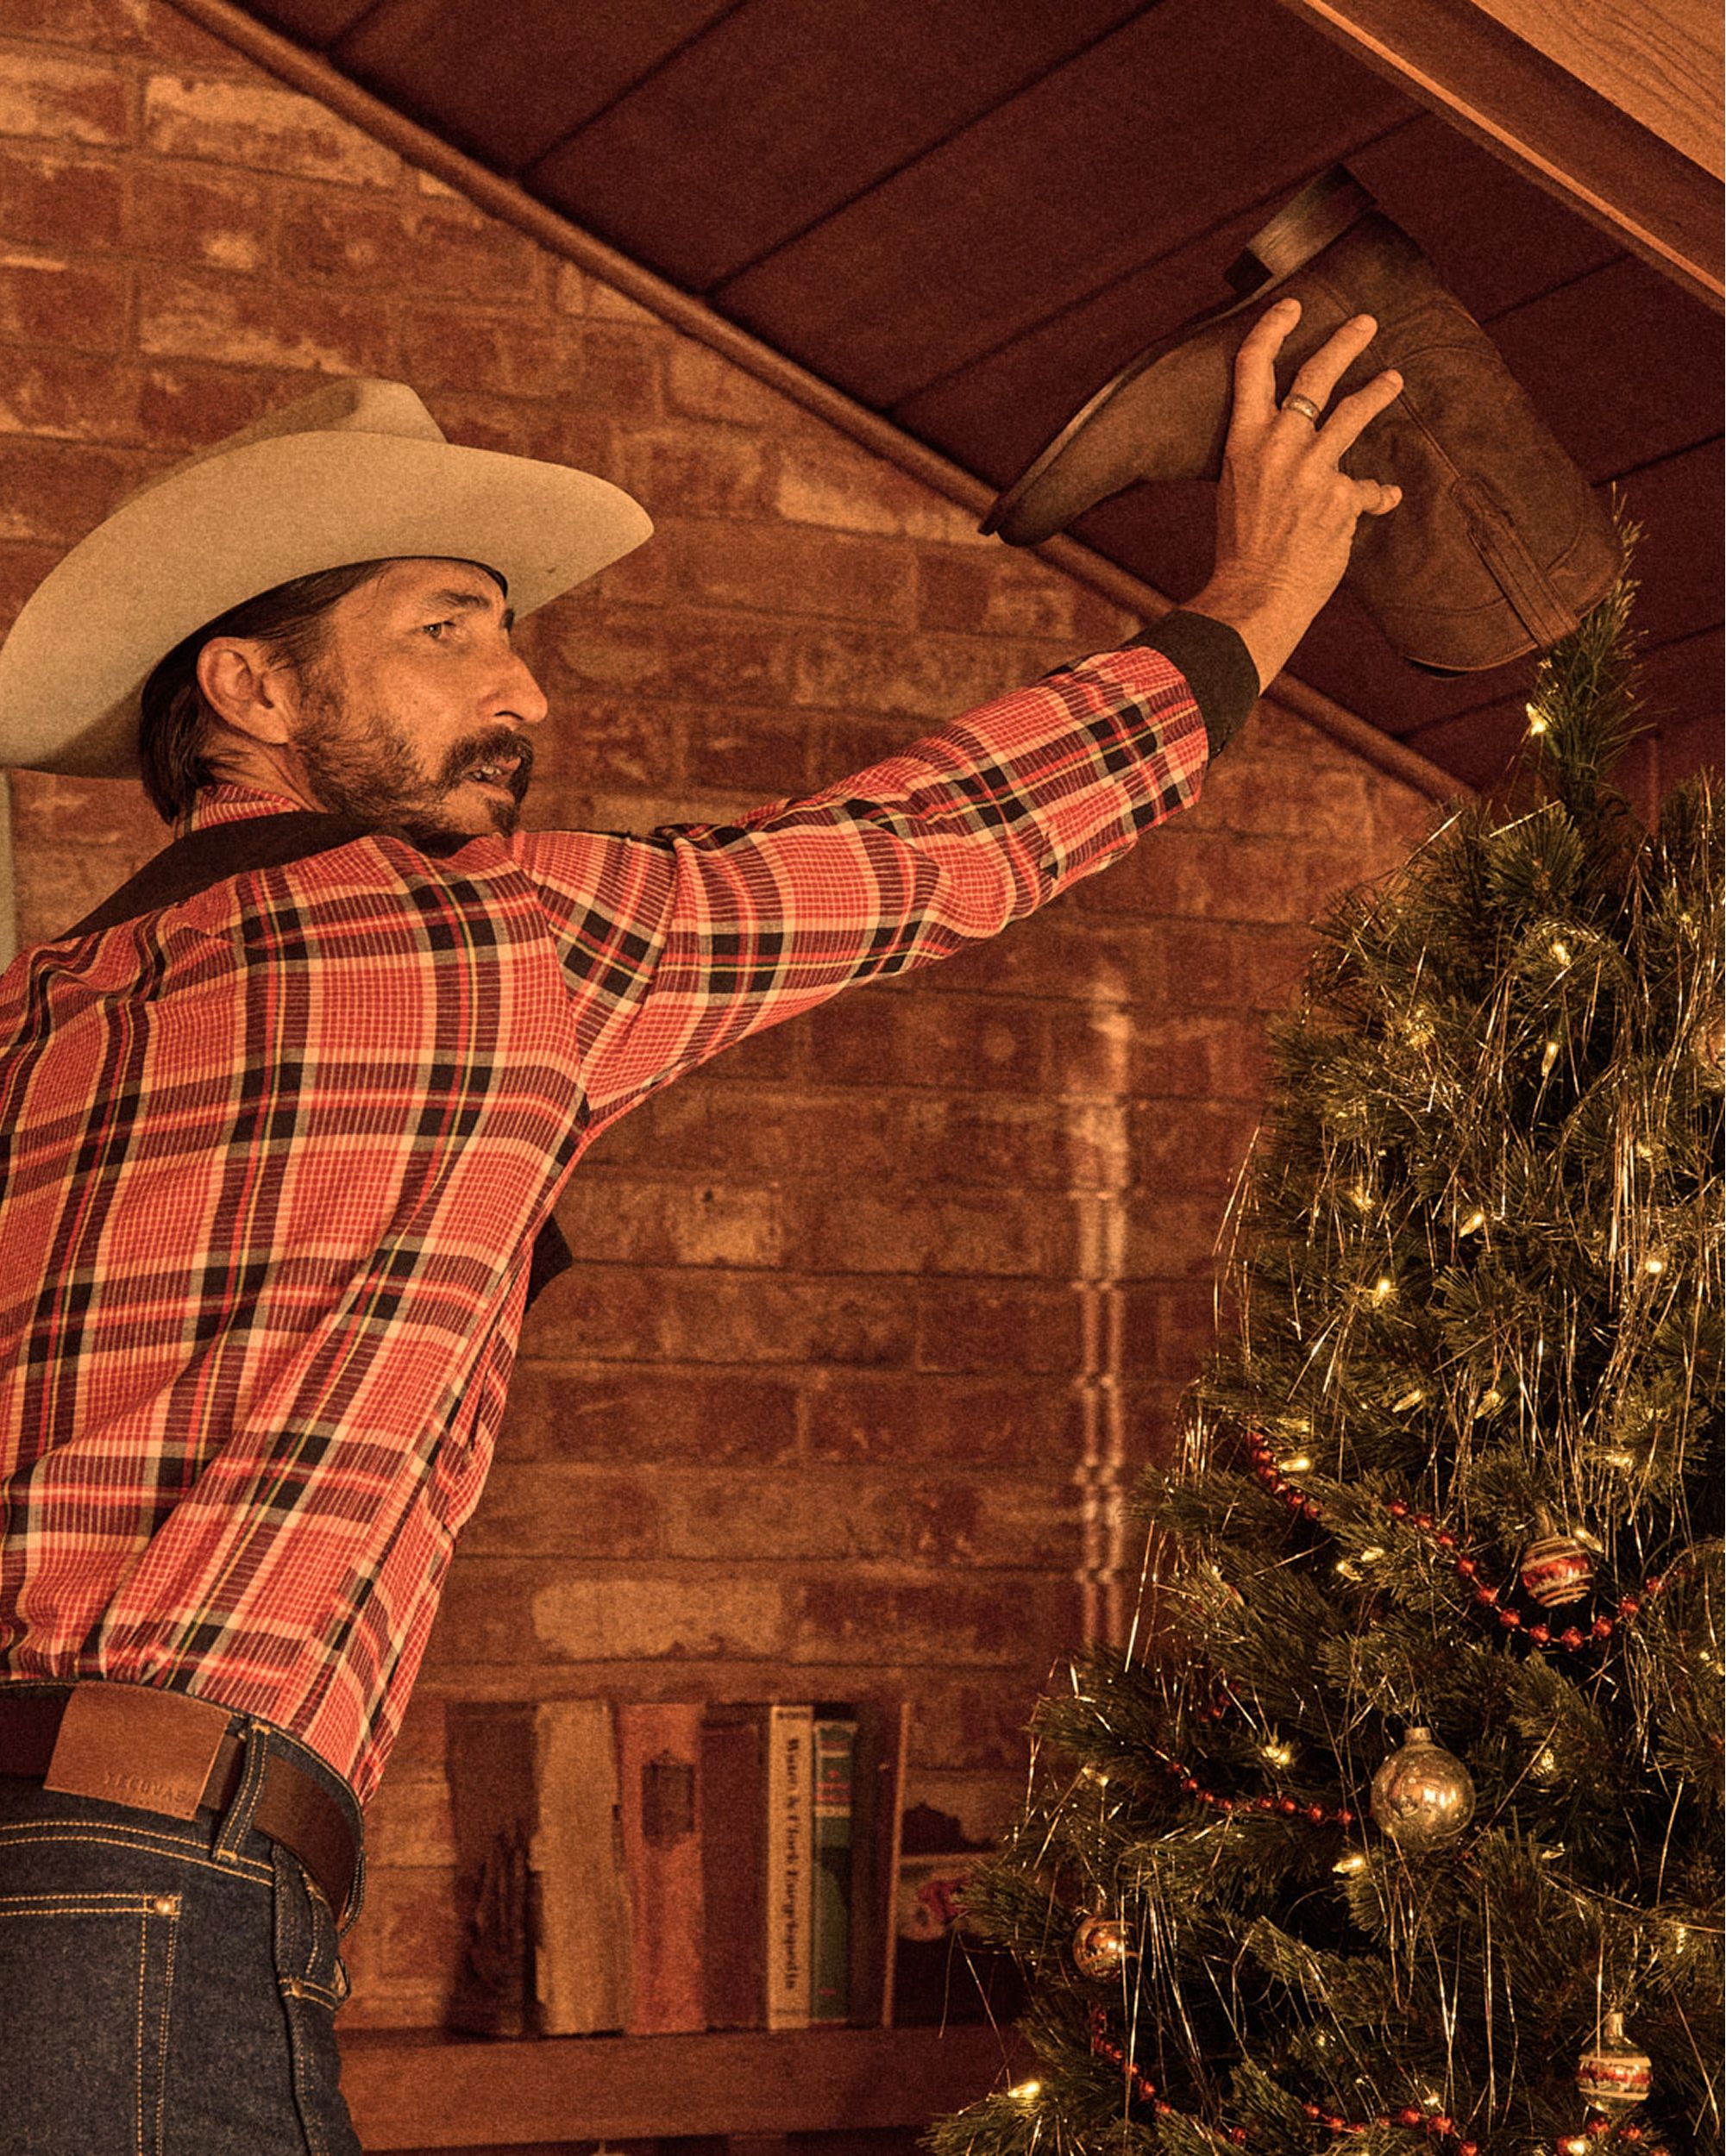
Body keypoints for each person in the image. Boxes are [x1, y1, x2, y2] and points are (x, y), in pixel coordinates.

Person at [0, 300, 1400, 2151]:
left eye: (511, 634)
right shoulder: (492, 935)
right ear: (251, 687)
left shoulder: (31, 1013)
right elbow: (931, 844)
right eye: (447, 628)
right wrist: (1253, 601)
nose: (524, 692)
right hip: (147, 1888)